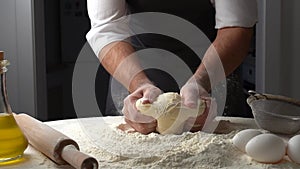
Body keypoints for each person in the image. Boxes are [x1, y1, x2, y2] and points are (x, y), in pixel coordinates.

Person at [86, 0, 258, 134]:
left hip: (213, 64)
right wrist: (138, 84)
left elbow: (236, 26)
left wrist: (201, 81)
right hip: (134, 64)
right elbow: (107, 28)